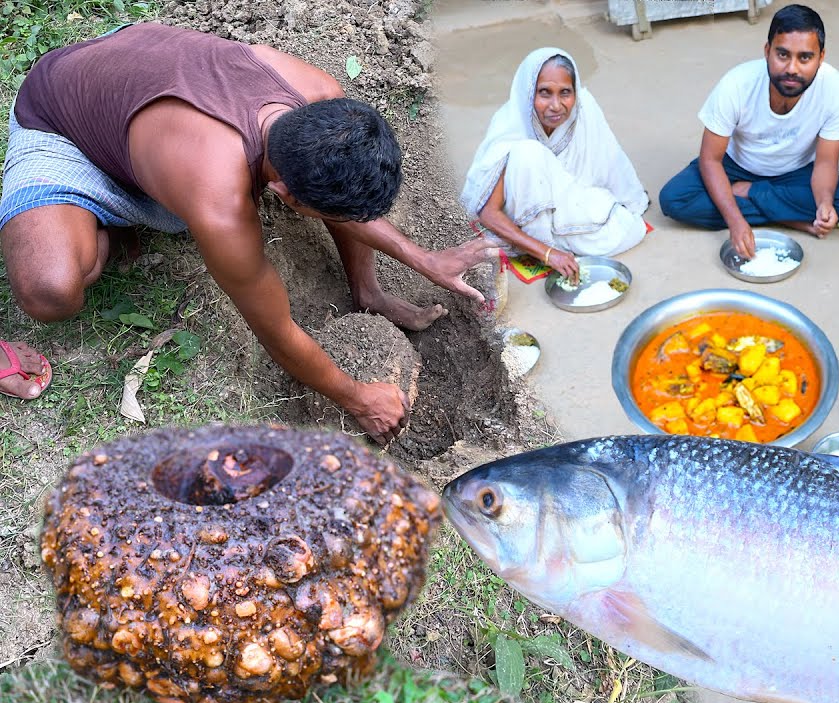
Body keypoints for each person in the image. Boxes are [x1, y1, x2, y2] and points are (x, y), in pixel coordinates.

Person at [0, 23, 495, 442]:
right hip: (63, 117)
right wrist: (357, 397)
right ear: (283, 196)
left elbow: (341, 201)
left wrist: (415, 263)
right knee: (51, 291)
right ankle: (102, 216)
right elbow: (276, 332)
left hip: (135, 86)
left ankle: (366, 289)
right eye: (321, 212)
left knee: (315, 192)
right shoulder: (219, 204)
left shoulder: (323, 102)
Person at [657, 3, 839, 259]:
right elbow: (710, 160)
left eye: (805, 57)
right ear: (767, 51)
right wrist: (735, 221)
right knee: (674, 199)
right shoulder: (736, 85)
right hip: (735, 166)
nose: (792, 69)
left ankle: (751, 194)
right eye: (783, 54)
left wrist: (823, 204)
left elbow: (826, 162)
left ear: (821, 57)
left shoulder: (837, 89)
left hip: (797, 172)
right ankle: (790, 219)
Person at [461, 48, 649, 284]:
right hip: (524, 214)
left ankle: (535, 240)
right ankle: (535, 242)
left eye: (565, 93)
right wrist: (548, 253)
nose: (556, 105)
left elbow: (610, 167)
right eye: (545, 93)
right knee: (529, 152)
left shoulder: (585, 109)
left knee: (631, 229)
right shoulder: (511, 127)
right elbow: (488, 213)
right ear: (528, 92)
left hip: (569, 207)